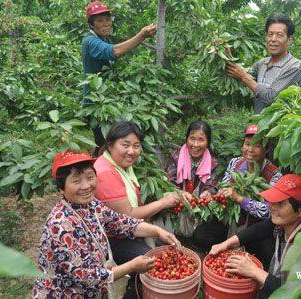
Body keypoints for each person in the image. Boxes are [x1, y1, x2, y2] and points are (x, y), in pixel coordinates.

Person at [32, 149, 181, 298]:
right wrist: (132, 266)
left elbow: (122, 222)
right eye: (76, 181)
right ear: (61, 188)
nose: (86, 186)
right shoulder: (61, 225)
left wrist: (158, 231)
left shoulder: (92, 204)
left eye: (90, 177)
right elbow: (88, 277)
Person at [93, 120, 181, 297]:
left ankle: (136, 288)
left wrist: (156, 230)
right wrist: (163, 203)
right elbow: (128, 215)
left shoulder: (120, 166)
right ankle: (133, 291)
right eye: (125, 145)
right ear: (109, 145)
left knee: (157, 254)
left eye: (136, 146)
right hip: (112, 239)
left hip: (123, 229)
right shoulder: (105, 172)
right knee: (150, 262)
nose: (131, 151)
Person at [210, 174, 301, 299]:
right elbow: (262, 228)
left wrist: (255, 272)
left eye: (280, 203)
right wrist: (226, 244)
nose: (272, 207)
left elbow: (296, 291)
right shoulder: (287, 221)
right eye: (272, 201)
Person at [192, 124, 282, 263]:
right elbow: (225, 186)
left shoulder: (274, 175)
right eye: (247, 144)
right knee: (200, 235)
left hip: (254, 228)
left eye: (257, 146)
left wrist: (240, 199)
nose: (250, 149)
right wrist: (213, 194)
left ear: (266, 149)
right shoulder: (235, 163)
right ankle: (225, 251)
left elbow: (269, 212)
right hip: (230, 223)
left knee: (265, 251)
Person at [82, 1, 157, 151]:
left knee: (111, 142)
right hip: (97, 105)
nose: (106, 24)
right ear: (92, 25)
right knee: (106, 145)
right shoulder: (90, 41)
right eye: (100, 20)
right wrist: (141, 35)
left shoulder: (104, 39)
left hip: (107, 100)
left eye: (108, 19)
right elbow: (115, 51)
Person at [225, 13, 301, 114]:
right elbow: (237, 73)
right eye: (270, 34)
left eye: (279, 35)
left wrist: (243, 76)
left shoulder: (295, 66)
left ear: (289, 40)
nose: (273, 39)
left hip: (281, 128)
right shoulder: (262, 63)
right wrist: (226, 55)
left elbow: (272, 97)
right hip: (259, 126)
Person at [166, 120, 219, 199]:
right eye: (192, 139)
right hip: (174, 205)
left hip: (200, 207)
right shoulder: (175, 157)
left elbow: (212, 187)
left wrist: (208, 193)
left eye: (201, 140)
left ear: (208, 142)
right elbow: (168, 184)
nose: (195, 144)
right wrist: (179, 193)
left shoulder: (213, 164)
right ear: (187, 139)